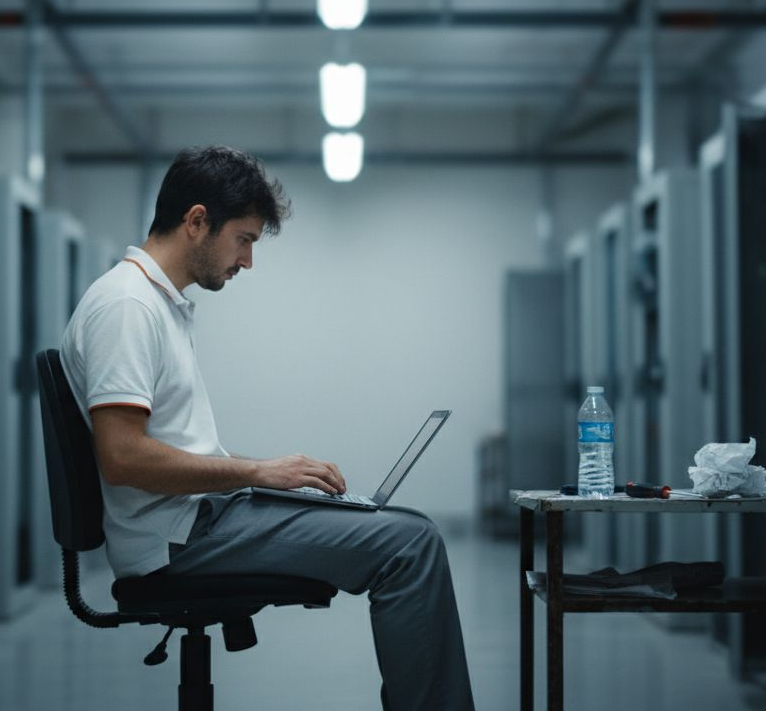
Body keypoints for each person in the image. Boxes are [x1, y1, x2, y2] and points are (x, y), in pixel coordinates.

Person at [59, 145, 474, 710]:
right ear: (197, 221)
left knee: (402, 525)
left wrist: (260, 479)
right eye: (245, 240)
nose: (248, 261)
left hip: (199, 520)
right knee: (410, 545)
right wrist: (257, 471)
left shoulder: (157, 304)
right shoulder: (127, 307)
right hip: (177, 542)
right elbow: (123, 458)